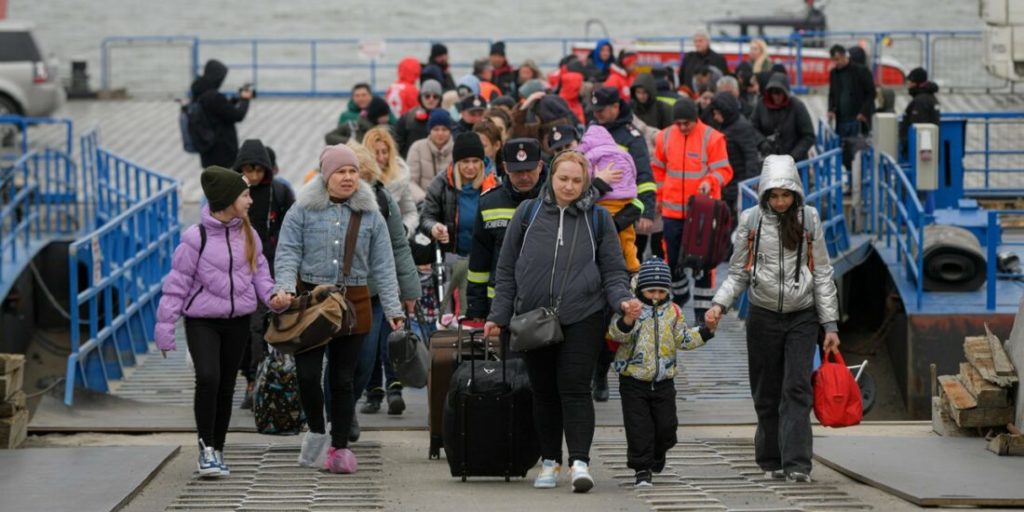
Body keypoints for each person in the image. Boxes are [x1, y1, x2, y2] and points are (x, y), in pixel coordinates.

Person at [484, 151, 639, 493]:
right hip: (533, 318)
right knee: (543, 391)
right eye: (563, 179)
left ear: (586, 183)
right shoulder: (528, 213)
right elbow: (506, 269)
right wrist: (498, 315)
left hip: (583, 315)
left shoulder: (598, 218)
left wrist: (622, 300)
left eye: (576, 180)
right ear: (551, 178)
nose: (569, 186)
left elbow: (614, 270)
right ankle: (550, 461)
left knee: (574, 386)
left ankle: (579, 462)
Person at [705, 154, 841, 484]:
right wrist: (719, 304)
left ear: (796, 193)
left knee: (797, 388)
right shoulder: (751, 221)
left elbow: (823, 272)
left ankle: (797, 464)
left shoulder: (809, 219)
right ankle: (770, 458)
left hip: (802, 315)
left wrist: (830, 325)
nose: (780, 202)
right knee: (766, 391)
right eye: (774, 195)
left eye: (786, 195)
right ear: (765, 194)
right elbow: (738, 272)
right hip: (763, 315)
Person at [272, 143, 404, 474]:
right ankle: (317, 431)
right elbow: (287, 251)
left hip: (353, 302)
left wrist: (393, 309)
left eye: (353, 171)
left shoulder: (370, 214)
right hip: (311, 302)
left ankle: (339, 447)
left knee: (343, 378)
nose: (348, 177)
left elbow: (384, 264)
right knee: (307, 375)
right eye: (341, 172)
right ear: (326, 175)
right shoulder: (301, 210)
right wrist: (284, 288)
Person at [155, 166, 277, 478]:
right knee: (208, 378)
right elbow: (176, 285)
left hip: (238, 321)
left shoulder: (248, 234)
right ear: (226, 200)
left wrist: (275, 298)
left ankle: (218, 449)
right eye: (245, 195)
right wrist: (165, 328)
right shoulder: (195, 238)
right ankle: (206, 449)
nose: (250, 200)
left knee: (226, 385)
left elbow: (261, 274)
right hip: (202, 322)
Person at [608, 257, 713, 488]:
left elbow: (683, 339)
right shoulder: (631, 308)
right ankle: (642, 469)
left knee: (667, 427)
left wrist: (707, 331)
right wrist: (628, 319)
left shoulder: (673, 311)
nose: (656, 296)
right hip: (633, 380)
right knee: (639, 428)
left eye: (661, 291)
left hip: (664, 380)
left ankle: (658, 451)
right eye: (651, 291)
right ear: (641, 289)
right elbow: (616, 334)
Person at [344, 143, 421, 424]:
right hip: (335, 293)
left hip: (372, 292)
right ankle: (342, 415)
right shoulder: (324, 203)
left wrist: (410, 290)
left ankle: (348, 408)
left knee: (365, 357)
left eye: (358, 174)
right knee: (340, 359)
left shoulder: (382, 198)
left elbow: (398, 246)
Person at [652, 97, 733, 320]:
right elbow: (658, 170)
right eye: (678, 123)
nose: (682, 127)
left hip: (702, 214)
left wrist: (710, 181)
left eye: (686, 123)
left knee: (703, 264)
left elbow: (724, 171)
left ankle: (702, 315)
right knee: (672, 259)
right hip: (671, 211)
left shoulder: (712, 138)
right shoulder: (664, 137)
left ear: (695, 119)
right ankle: (680, 293)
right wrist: (659, 197)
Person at [231, 139, 295, 410]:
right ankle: (250, 376)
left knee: (259, 325)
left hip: (268, 267)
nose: (254, 176)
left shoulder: (278, 192)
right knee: (243, 328)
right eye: (249, 170)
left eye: (258, 170)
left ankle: (257, 378)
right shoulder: (232, 193)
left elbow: (293, 226)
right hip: (237, 270)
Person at [465, 138, 546, 323]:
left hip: (544, 303)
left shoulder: (555, 201)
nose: (524, 177)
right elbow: (479, 262)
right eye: (517, 171)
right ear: (506, 167)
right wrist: (476, 308)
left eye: (529, 170)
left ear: (540, 166)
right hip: (501, 304)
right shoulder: (488, 203)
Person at [420, 132, 498, 320]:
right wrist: (435, 228)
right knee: (452, 315)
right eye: (465, 162)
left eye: (475, 161)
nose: (470, 167)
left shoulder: (495, 184)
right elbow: (426, 217)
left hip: (486, 260)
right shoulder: (440, 184)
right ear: (456, 162)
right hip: (452, 257)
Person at [579, 124, 641, 273]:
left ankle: (613, 267)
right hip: (626, 200)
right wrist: (629, 188)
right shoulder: (623, 152)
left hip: (605, 200)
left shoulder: (590, 155)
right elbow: (634, 171)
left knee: (608, 238)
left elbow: (585, 178)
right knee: (628, 236)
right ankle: (633, 265)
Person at [189, 59, 252, 168]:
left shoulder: (199, 92)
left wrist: (235, 99)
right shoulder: (213, 96)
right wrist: (245, 99)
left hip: (208, 149)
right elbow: (238, 115)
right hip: (222, 152)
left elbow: (219, 111)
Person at [710, 93, 762, 217]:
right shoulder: (725, 125)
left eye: (717, 113)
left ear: (726, 112)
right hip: (729, 182)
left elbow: (751, 156)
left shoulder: (741, 127)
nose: (715, 117)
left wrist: (749, 185)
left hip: (738, 182)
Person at [827, 44, 876, 169]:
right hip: (842, 119)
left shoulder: (861, 71)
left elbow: (871, 93)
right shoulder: (833, 73)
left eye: (838, 59)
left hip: (858, 119)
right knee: (844, 151)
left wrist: (864, 112)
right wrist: (831, 109)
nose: (836, 63)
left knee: (858, 152)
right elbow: (832, 94)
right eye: (834, 60)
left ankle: (858, 176)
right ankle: (849, 174)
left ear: (844, 56)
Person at [751, 72, 816, 163]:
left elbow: (809, 136)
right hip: (770, 161)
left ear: (785, 92)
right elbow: (752, 127)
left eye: (779, 93)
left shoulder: (797, 106)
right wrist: (762, 142)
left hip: (795, 164)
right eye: (773, 93)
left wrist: (793, 157)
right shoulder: (761, 105)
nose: (776, 96)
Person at [363, 127, 419, 234]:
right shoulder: (358, 177)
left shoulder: (400, 177)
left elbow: (410, 212)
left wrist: (404, 230)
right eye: (376, 152)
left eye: (384, 152)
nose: (381, 157)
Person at [407, 109, 455, 200]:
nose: (440, 133)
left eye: (444, 129)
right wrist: (425, 200)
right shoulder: (417, 148)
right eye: (436, 129)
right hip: (422, 201)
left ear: (450, 131)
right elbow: (410, 181)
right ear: (430, 130)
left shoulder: (456, 149)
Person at [898, 67, 940, 158]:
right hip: (928, 149)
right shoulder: (930, 98)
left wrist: (905, 143)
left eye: (910, 82)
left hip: (918, 152)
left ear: (918, 83)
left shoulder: (920, 101)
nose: (908, 85)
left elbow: (918, 127)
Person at [395, 79, 443, 159]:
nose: (431, 99)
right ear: (421, 97)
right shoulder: (408, 117)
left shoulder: (446, 118)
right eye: (427, 96)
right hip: (411, 162)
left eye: (435, 96)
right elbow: (396, 143)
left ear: (440, 99)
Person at [326, 95, 393, 145]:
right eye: (384, 115)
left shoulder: (386, 130)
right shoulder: (352, 126)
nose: (387, 118)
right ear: (375, 115)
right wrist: (350, 142)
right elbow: (329, 137)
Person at [678, 31, 729, 96]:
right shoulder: (688, 58)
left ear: (708, 42)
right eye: (695, 41)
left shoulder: (718, 59)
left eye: (700, 41)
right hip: (690, 95)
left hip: (712, 96)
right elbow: (681, 78)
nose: (697, 44)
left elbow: (723, 80)